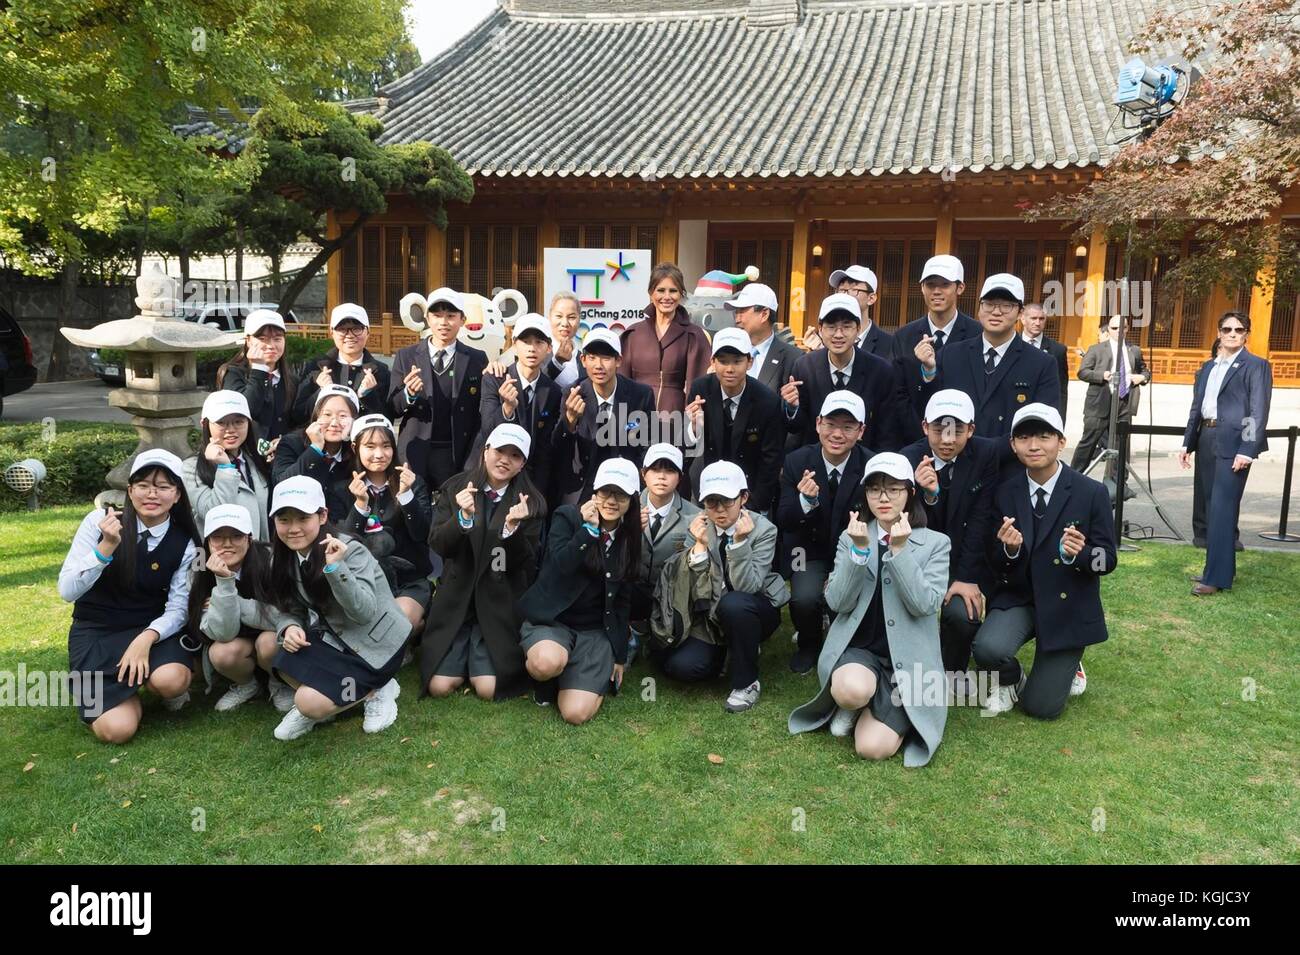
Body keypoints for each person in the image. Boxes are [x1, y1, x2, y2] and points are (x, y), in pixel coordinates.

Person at [788, 452, 950, 766]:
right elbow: (837, 602)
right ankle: (853, 703)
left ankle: (875, 708)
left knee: (871, 749)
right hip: (860, 653)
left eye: (894, 489)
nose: (883, 497)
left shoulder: (935, 543)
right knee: (850, 689)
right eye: (874, 489)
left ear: (910, 493)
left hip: (909, 663)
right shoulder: (852, 538)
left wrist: (900, 551)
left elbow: (925, 605)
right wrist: (858, 553)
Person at [974, 403, 1117, 717]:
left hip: (1067, 605)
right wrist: (1009, 550)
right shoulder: (1004, 492)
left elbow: (1106, 560)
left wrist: (1080, 555)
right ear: (1012, 445)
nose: (1034, 445)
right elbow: (995, 561)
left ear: (1061, 442)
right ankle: (1012, 678)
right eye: (1024, 438)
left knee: (1041, 708)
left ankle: (1069, 664)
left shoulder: (1091, 493)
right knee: (987, 648)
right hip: (1020, 598)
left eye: (1044, 436)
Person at [58, 449, 200, 742]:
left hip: (148, 628)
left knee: (172, 680)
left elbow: (178, 608)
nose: (152, 494)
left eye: (163, 487)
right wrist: (105, 548)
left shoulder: (184, 543)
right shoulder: (98, 522)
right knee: (116, 731)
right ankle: (126, 693)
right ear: (130, 490)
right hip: (96, 631)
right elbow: (67, 591)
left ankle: (153, 681)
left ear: (177, 495)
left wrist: (147, 637)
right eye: (144, 485)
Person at [265, 476, 410, 740]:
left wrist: (335, 568)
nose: (293, 528)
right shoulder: (282, 557)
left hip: (377, 644)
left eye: (302, 518)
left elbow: (363, 612)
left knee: (308, 702)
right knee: (281, 661)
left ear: (322, 516)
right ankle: (341, 697)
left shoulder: (349, 550)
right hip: (336, 638)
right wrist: (290, 627)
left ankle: (378, 689)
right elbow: (289, 608)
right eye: (284, 519)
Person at [421, 424, 545, 701]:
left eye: (515, 455)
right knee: (439, 687)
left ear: (522, 464)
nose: (505, 460)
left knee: (489, 689)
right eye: (500, 450)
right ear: (485, 450)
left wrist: (512, 528)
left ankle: (479, 658)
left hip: (498, 604)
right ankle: (460, 655)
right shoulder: (455, 488)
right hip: (457, 600)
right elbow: (439, 544)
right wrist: (462, 518)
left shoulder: (530, 503)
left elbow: (523, 564)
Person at [652, 461, 788, 713]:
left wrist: (738, 544)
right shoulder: (696, 526)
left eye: (727, 500)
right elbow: (691, 588)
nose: (719, 509)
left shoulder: (764, 530)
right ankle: (729, 653)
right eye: (711, 502)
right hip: (709, 615)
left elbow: (748, 586)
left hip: (754, 610)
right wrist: (699, 548)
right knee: (680, 667)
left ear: (743, 497)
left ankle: (746, 682)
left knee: (734, 604)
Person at [517, 458, 642, 725]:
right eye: (606, 491)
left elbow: (623, 600)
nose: (611, 500)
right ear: (594, 492)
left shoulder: (630, 535)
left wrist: (619, 655)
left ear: (632, 499)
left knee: (575, 714)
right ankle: (549, 678)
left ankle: (574, 676)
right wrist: (588, 531)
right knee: (545, 663)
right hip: (554, 621)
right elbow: (559, 566)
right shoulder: (567, 517)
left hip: (595, 632)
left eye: (620, 494)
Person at [900, 389, 1000, 677]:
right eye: (938, 429)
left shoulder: (985, 455)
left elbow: (981, 518)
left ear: (971, 430)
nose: (946, 440)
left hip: (961, 559)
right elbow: (902, 524)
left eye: (956, 430)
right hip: (918, 560)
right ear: (924, 427)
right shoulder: (907, 459)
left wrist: (967, 578)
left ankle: (950, 670)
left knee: (962, 613)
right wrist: (924, 495)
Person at [777, 391, 874, 674]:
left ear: (861, 431)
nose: (837, 434)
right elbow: (785, 519)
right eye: (831, 424)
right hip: (807, 550)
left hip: (853, 549)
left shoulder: (871, 465)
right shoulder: (797, 461)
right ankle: (808, 643)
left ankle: (844, 639)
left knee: (848, 596)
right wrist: (805, 501)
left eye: (848, 426)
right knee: (804, 598)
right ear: (818, 423)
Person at [1180, 312, 1273, 594]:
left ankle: (1216, 579)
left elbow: (1258, 410)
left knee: (1223, 509)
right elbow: (1197, 407)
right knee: (1210, 509)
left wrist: (1248, 449)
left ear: (1247, 334)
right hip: (1206, 439)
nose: (1232, 333)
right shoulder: (1208, 367)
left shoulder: (1256, 366)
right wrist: (1187, 443)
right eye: (1227, 329)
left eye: (1239, 329)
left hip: (1234, 446)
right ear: (1219, 333)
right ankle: (1215, 570)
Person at [918, 274, 1060, 454]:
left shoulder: (1042, 363)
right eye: (989, 304)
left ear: (1020, 313)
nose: (996, 312)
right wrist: (929, 371)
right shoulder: (950, 354)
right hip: (958, 459)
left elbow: (1043, 422)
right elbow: (930, 410)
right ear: (979, 308)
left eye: (1006, 305)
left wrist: (994, 451)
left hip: (1010, 463)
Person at [389, 287, 487, 491]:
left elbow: (481, 411)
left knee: (450, 513)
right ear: (427, 318)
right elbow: (392, 408)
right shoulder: (406, 356)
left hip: (456, 452)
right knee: (414, 510)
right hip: (415, 451)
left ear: (462, 319)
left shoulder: (477, 359)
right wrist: (409, 394)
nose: (443, 322)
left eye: (451, 316)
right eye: (437, 315)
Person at [189, 503, 285, 712]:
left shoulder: (271, 559)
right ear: (207, 542)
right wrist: (224, 583)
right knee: (221, 653)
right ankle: (247, 685)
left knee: (269, 643)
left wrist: (235, 603)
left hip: (271, 637)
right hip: (236, 640)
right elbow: (222, 633)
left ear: (249, 539)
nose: (227, 544)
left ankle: (277, 681)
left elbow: (283, 617)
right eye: (218, 538)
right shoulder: (198, 572)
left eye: (236, 536)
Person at [342, 414, 432, 634]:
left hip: (408, 579)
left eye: (386, 446)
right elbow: (344, 543)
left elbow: (422, 534)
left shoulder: (413, 482)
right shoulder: (343, 488)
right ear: (355, 448)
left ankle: (412, 630)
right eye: (370, 446)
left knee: (402, 620)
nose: (379, 454)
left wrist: (406, 496)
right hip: (362, 580)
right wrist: (360, 506)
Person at [781, 292, 902, 452]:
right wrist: (791, 408)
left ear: (858, 329)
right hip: (815, 463)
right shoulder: (804, 366)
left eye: (846, 326)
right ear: (820, 329)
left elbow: (887, 432)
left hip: (863, 463)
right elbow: (797, 427)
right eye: (831, 327)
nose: (838, 334)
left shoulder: (880, 371)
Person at [684, 327, 784, 512]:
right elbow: (686, 448)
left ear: (750, 362)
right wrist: (693, 429)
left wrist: (754, 505)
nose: (730, 369)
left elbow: (771, 459)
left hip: (749, 492)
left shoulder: (767, 401)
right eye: (723, 361)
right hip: (707, 488)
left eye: (737, 361)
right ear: (712, 362)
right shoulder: (701, 389)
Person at [476, 313, 563, 509]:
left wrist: (539, 493)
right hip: (493, 475)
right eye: (525, 341)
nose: (532, 348)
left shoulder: (553, 391)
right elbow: (487, 431)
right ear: (514, 344)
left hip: (532, 481)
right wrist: (507, 408)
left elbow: (546, 446)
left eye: (539, 342)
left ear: (549, 348)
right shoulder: (495, 378)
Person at [560, 328, 655, 502]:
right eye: (592, 357)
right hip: (586, 484)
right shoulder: (573, 394)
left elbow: (647, 445)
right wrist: (570, 423)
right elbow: (560, 450)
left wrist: (639, 485)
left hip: (626, 483)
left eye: (606, 358)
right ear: (583, 360)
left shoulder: (641, 395)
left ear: (618, 360)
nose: (598, 365)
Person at [894, 254, 980, 427]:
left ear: (960, 287)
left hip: (964, 434)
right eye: (930, 285)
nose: (937, 291)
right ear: (922, 288)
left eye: (945, 285)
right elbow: (898, 394)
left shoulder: (978, 334)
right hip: (915, 435)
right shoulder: (904, 336)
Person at [631, 444, 699, 658]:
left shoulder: (694, 516)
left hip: (672, 595)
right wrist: (629, 532)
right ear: (644, 474)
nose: (662, 477)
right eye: (655, 470)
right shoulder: (625, 508)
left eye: (670, 471)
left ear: (680, 477)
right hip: (632, 588)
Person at [619, 262, 712, 416]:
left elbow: (698, 387)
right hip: (635, 417)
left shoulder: (694, 335)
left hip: (676, 417)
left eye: (673, 291)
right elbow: (621, 384)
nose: (667, 297)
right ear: (651, 293)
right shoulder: (633, 334)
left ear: (681, 294)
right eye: (661, 290)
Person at [183, 390, 272, 542]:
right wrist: (225, 468)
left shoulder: (256, 461)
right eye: (221, 422)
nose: (231, 429)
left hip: (258, 558)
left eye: (238, 421)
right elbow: (213, 512)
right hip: (217, 558)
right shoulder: (191, 468)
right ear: (205, 424)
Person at [1071, 315, 1148, 482]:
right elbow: (1082, 372)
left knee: (1122, 444)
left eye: (1123, 328)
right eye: (1114, 328)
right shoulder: (1097, 349)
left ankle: (1118, 483)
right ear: (1108, 330)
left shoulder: (1134, 350)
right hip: (1100, 402)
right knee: (1089, 442)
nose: (1119, 331)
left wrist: (1142, 378)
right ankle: (1073, 478)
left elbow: (1145, 370)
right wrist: (1102, 375)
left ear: (1127, 329)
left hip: (1124, 401)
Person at [272, 384, 360, 524]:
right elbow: (281, 483)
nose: (334, 422)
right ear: (315, 417)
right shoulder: (292, 443)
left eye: (343, 416)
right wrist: (315, 450)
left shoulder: (356, 451)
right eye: (327, 414)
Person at [291, 303, 390, 425]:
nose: (349, 335)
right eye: (342, 329)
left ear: (368, 331)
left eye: (357, 329)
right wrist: (321, 392)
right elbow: (298, 415)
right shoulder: (314, 368)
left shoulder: (381, 371)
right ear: (332, 332)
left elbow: (387, 421)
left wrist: (368, 396)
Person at [216, 308, 296, 442]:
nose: (271, 345)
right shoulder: (232, 373)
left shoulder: (291, 379)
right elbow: (246, 411)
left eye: (277, 339)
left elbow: (297, 421)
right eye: (262, 338)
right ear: (248, 340)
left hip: (282, 457)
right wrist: (259, 369)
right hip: (247, 457)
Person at [724, 282, 800, 392]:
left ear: (764, 314)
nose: (737, 319)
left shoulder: (793, 358)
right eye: (736, 312)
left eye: (742, 311)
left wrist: (791, 407)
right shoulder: (725, 352)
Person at [829, 264, 894, 358]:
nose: (846, 295)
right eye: (842, 289)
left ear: (871, 298)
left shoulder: (889, 344)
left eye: (854, 289)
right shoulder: (826, 339)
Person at [1019, 303, 1069, 419]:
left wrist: (1059, 421)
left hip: (1043, 413)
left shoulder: (1058, 350)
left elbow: (1061, 391)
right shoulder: (1010, 344)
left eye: (1041, 319)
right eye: (1033, 318)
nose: (1037, 323)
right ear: (1022, 319)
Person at [541, 291, 584, 389]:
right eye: (559, 316)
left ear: (579, 320)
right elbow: (535, 387)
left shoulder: (583, 359)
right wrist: (557, 362)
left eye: (571, 317)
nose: (565, 323)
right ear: (550, 317)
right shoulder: (537, 352)